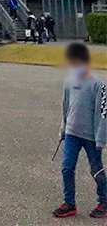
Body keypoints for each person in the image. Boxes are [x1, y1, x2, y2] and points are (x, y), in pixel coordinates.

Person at [52, 43, 107, 219]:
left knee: (96, 170)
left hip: (91, 137)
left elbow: (103, 113)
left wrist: (101, 138)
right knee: (67, 168)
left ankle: (104, 202)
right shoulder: (69, 82)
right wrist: (63, 129)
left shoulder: (98, 85)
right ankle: (69, 203)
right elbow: (66, 107)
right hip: (71, 134)